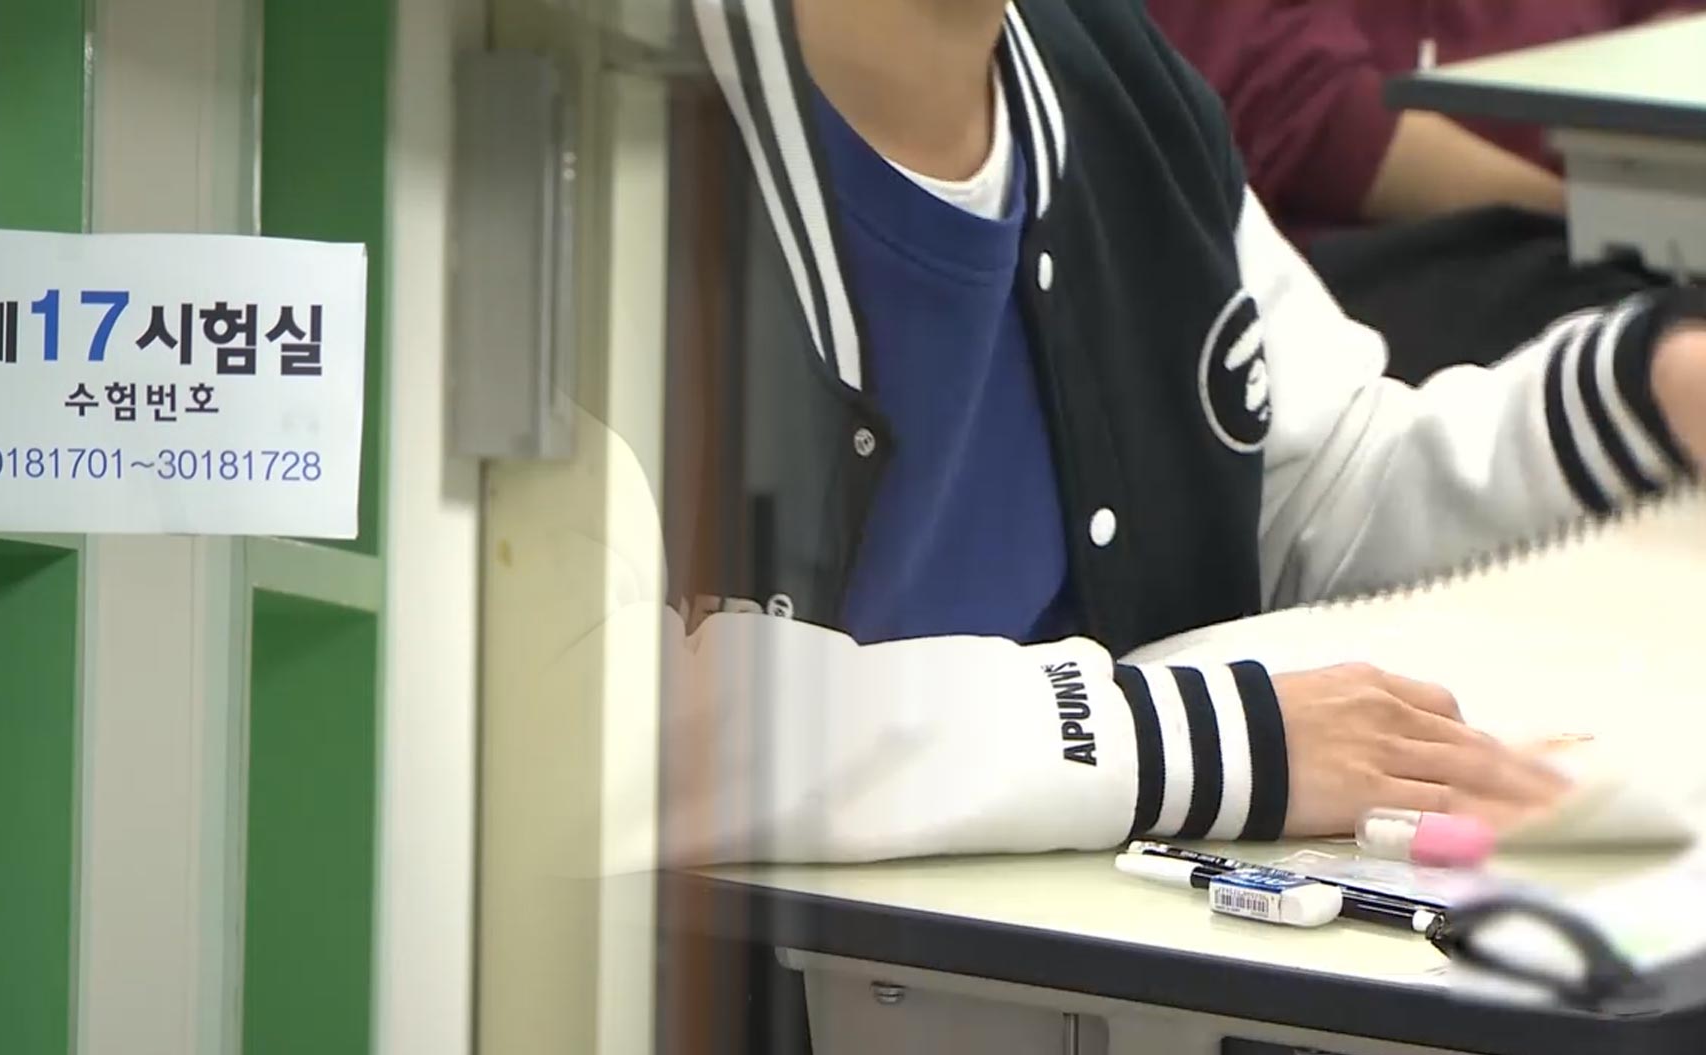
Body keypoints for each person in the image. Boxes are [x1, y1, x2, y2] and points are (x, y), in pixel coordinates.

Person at [607, 0, 1706, 873]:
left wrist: (1645, 395)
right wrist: (1197, 741)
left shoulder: (1108, 75)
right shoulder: (587, 126)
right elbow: (578, 712)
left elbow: (1323, 487)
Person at [1147, 0, 1702, 382]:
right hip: (1348, 265)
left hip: (1613, 219)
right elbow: (1305, 112)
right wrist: (1616, 218)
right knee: (1660, 337)